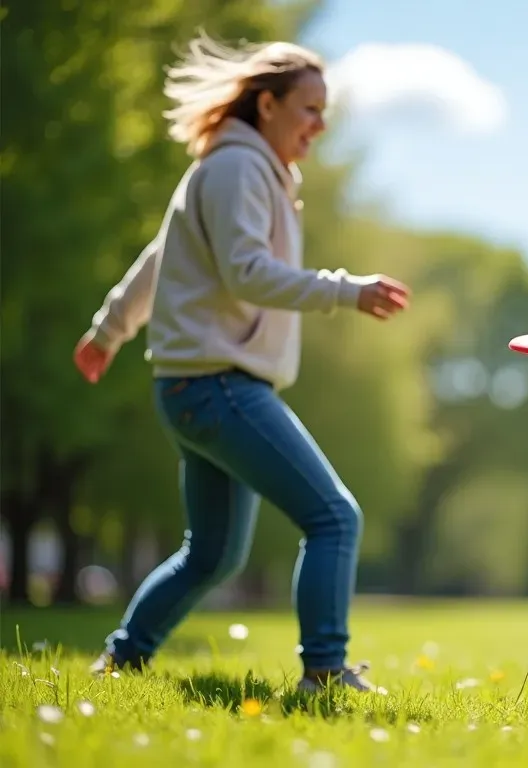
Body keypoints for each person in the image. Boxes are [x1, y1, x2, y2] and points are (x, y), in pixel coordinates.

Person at [73, 33, 410, 695]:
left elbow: (158, 259)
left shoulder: (241, 170)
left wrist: (107, 332)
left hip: (198, 387)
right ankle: (324, 671)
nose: (320, 124)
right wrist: (346, 289)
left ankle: (121, 661)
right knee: (332, 517)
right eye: (309, 108)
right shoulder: (236, 169)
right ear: (266, 104)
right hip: (218, 385)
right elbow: (248, 272)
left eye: (325, 111)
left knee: (212, 553)